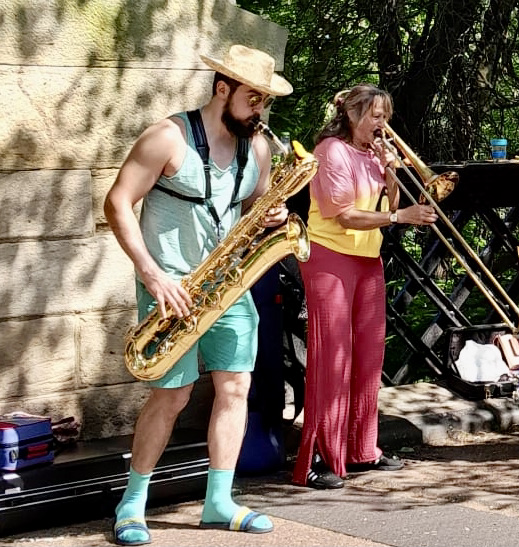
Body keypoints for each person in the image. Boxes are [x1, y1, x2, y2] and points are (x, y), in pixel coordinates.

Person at [103, 44, 291, 545]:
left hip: (228, 286)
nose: (260, 111)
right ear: (222, 88)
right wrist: (152, 275)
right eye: (253, 98)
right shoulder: (168, 137)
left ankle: (218, 502)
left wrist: (271, 216)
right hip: (173, 289)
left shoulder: (257, 148)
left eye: (265, 101)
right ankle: (132, 503)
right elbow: (117, 203)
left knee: (236, 389)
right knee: (172, 395)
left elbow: (251, 207)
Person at [291, 85, 438, 489]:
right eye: (375, 115)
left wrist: (391, 171)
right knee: (332, 357)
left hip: (367, 259)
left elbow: (389, 204)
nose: (382, 124)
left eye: (385, 116)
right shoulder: (330, 151)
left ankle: (361, 449)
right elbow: (344, 215)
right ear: (352, 114)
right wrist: (400, 218)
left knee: (369, 356)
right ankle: (317, 458)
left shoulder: (372, 153)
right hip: (329, 257)